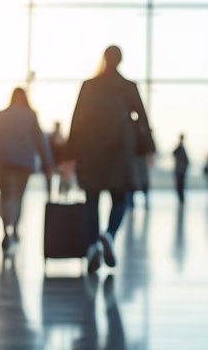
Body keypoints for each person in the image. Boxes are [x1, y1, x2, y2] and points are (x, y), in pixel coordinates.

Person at [69, 46, 154, 273]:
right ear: (120, 61)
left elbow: (77, 120)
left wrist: (70, 153)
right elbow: (143, 118)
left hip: (91, 151)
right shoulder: (128, 87)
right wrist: (149, 149)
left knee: (91, 199)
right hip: (120, 151)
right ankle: (109, 234)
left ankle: (90, 249)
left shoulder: (89, 87)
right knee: (121, 198)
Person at [0, 87, 54, 251]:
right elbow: (41, 142)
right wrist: (48, 164)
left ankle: (6, 230)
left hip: (2, 162)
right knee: (18, 197)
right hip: (23, 164)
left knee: (6, 197)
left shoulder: (1, 115)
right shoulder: (30, 116)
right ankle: (14, 229)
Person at [48, 121, 74, 197]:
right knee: (52, 179)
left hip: (58, 162)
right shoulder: (54, 138)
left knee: (64, 178)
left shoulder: (59, 138)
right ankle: (54, 195)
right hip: (54, 162)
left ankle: (62, 193)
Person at [172, 134, 190, 204]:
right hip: (179, 169)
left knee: (181, 185)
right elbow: (174, 153)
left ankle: (181, 198)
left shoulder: (181, 147)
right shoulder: (179, 147)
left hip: (181, 169)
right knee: (180, 185)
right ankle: (181, 198)